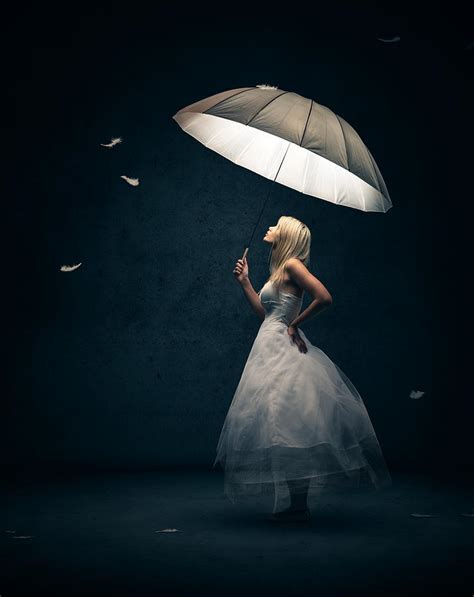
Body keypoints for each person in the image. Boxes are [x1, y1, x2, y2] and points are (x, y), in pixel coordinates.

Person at [212, 215, 392, 522]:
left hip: (283, 349)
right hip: (268, 347)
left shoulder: (294, 265)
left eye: (275, 225)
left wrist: (295, 323)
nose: (269, 228)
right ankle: (297, 504)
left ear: (287, 235)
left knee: (291, 420)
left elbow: (324, 297)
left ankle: (299, 503)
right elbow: (266, 314)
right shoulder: (279, 270)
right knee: (279, 421)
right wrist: (245, 283)